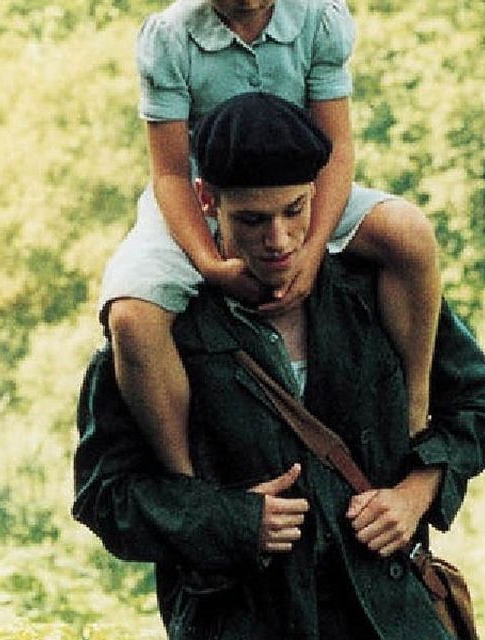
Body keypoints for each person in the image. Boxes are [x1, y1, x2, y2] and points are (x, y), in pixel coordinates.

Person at [74, 92, 485, 639]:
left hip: (392, 618)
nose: (277, 240)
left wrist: (415, 493)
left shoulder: (374, 291)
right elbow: (105, 495)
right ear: (208, 201)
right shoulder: (160, 327)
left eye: (294, 211)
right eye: (252, 220)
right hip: (244, 622)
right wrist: (230, 520)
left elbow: (479, 405)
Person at [100, 0, 444, 478]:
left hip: (298, 193)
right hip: (205, 199)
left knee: (409, 233)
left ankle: (414, 411)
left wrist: (313, 246)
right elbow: (172, 175)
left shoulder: (317, 19)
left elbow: (337, 149)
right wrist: (209, 262)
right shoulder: (170, 38)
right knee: (132, 315)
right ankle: (186, 478)